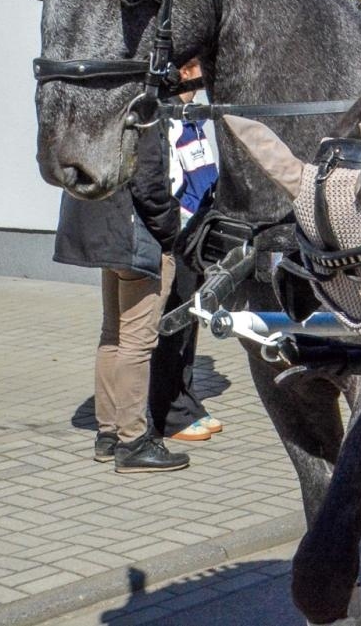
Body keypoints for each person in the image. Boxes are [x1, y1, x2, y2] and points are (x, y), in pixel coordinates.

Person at [54, 121, 189, 473]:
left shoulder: (98, 110)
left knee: (112, 334)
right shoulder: (142, 113)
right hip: (136, 240)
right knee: (136, 342)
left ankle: (108, 435)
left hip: (102, 235)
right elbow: (150, 185)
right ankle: (133, 442)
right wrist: (171, 231)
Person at [149, 61, 224, 444]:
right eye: (191, 68)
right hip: (176, 236)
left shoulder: (191, 118)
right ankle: (169, 414)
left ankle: (186, 400)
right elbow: (168, 184)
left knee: (189, 324)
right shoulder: (166, 119)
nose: (199, 76)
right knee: (172, 327)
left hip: (197, 235)